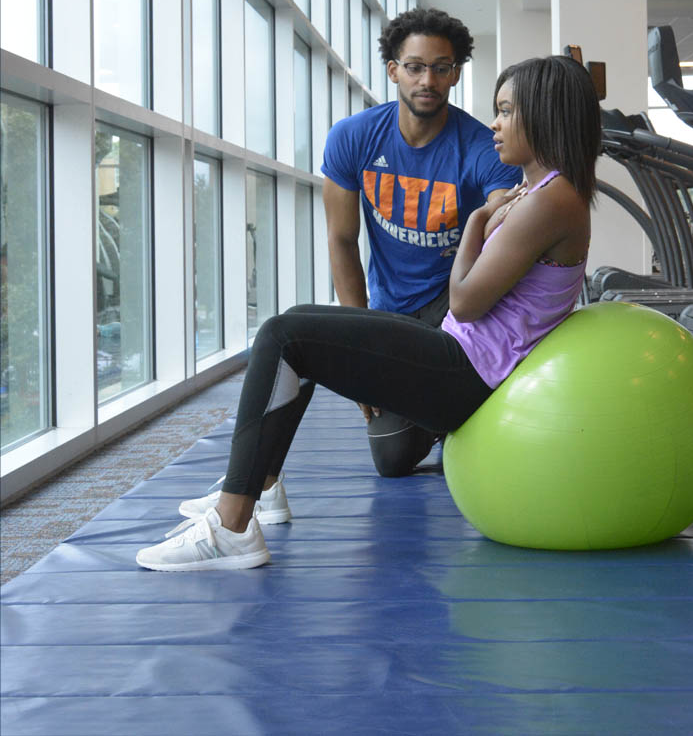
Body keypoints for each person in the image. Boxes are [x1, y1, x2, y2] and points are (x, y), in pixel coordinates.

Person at [136, 54, 601, 571]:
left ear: (545, 114)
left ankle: (231, 526)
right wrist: (492, 215)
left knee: (284, 336)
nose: (495, 123)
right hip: (461, 356)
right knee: (296, 334)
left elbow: (467, 302)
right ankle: (260, 490)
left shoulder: (549, 200)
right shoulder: (538, 193)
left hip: (467, 372)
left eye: (508, 111)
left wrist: (476, 220)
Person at [321, 7, 521, 477]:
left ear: (455, 73)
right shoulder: (353, 138)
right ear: (394, 70)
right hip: (391, 308)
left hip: (456, 305)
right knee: (391, 459)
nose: (427, 79)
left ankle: (459, 398)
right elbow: (342, 239)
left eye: (441, 67)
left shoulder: (482, 148)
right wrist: (359, 343)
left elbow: (508, 232)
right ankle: (449, 407)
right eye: (414, 67)